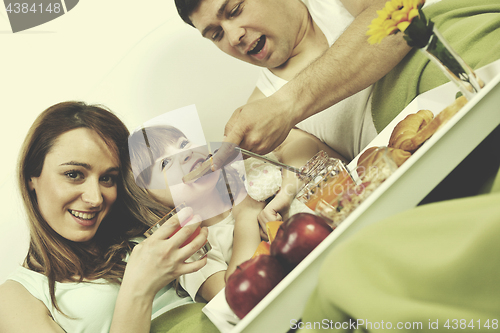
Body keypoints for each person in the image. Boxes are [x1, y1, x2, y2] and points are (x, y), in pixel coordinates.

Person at [0, 101, 211, 333]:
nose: (96, 198)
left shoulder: (142, 225)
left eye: (107, 178)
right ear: (32, 176)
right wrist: (138, 289)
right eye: (73, 174)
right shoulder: (16, 297)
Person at [174, 0, 408, 159]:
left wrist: (286, 106)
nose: (234, 37)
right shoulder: (257, 113)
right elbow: (345, 178)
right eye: (217, 35)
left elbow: (400, 18)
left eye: (235, 10)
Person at [128, 124, 265, 302]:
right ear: (150, 200)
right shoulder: (188, 252)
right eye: (165, 163)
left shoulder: (246, 176)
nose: (185, 154)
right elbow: (235, 299)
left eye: (183, 144)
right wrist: (247, 217)